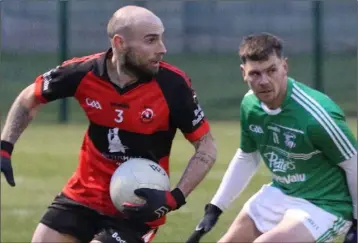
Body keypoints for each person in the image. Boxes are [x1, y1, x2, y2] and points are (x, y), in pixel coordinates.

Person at [0, 5, 217, 243]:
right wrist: (5, 146)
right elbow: (30, 97)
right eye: (151, 40)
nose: (162, 49)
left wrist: (174, 197)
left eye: (161, 39)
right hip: (83, 195)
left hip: (136, 206)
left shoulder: (173, 85)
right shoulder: (84, 72)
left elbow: (206, 146)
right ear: (120, 42)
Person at [189, 33, 356, 243]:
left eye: (271, 70)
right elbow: (248, 157)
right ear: (244, 73)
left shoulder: (316, 115)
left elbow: (354, 164)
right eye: (255, 74)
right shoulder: (250, 105)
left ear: (284, 67)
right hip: (282, 192)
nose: (264, 81)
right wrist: (214, 208)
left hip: (325, 204)